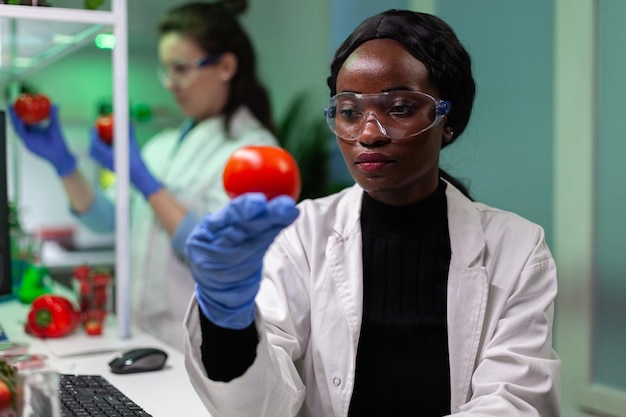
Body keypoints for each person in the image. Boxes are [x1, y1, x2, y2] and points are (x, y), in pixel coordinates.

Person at [182, 9, 561, 417]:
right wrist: (227, 319)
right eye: (349, 111)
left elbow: (514, 403)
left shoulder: (518, 249)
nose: (368, 134)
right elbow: (258, 406)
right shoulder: (301, 234)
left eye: (398, 108)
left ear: (446, 119)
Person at [8, 0, 278, 350]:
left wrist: (146, 183)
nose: (171, 83)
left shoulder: (257, 153)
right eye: (166, 70)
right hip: (139, 336)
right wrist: (65, 165)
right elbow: (106, 220)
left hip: (198, 348)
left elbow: (218, 254)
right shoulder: (162, 146)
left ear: (226, 66)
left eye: (181, 68)